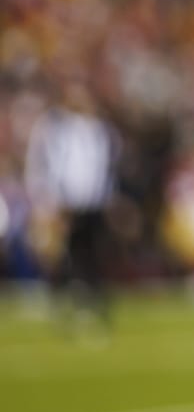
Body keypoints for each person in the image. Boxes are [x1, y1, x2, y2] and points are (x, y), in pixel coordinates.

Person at [24, 81, 119, 334]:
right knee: (64, 254)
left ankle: (90, 302)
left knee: (90, 253)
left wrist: (106, 197)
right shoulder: (56, 128)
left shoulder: (100, 130)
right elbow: (49, 165)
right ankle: (64, 301)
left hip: (92, 201)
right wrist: (50, 199)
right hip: (66, 202)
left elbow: (105, 168)